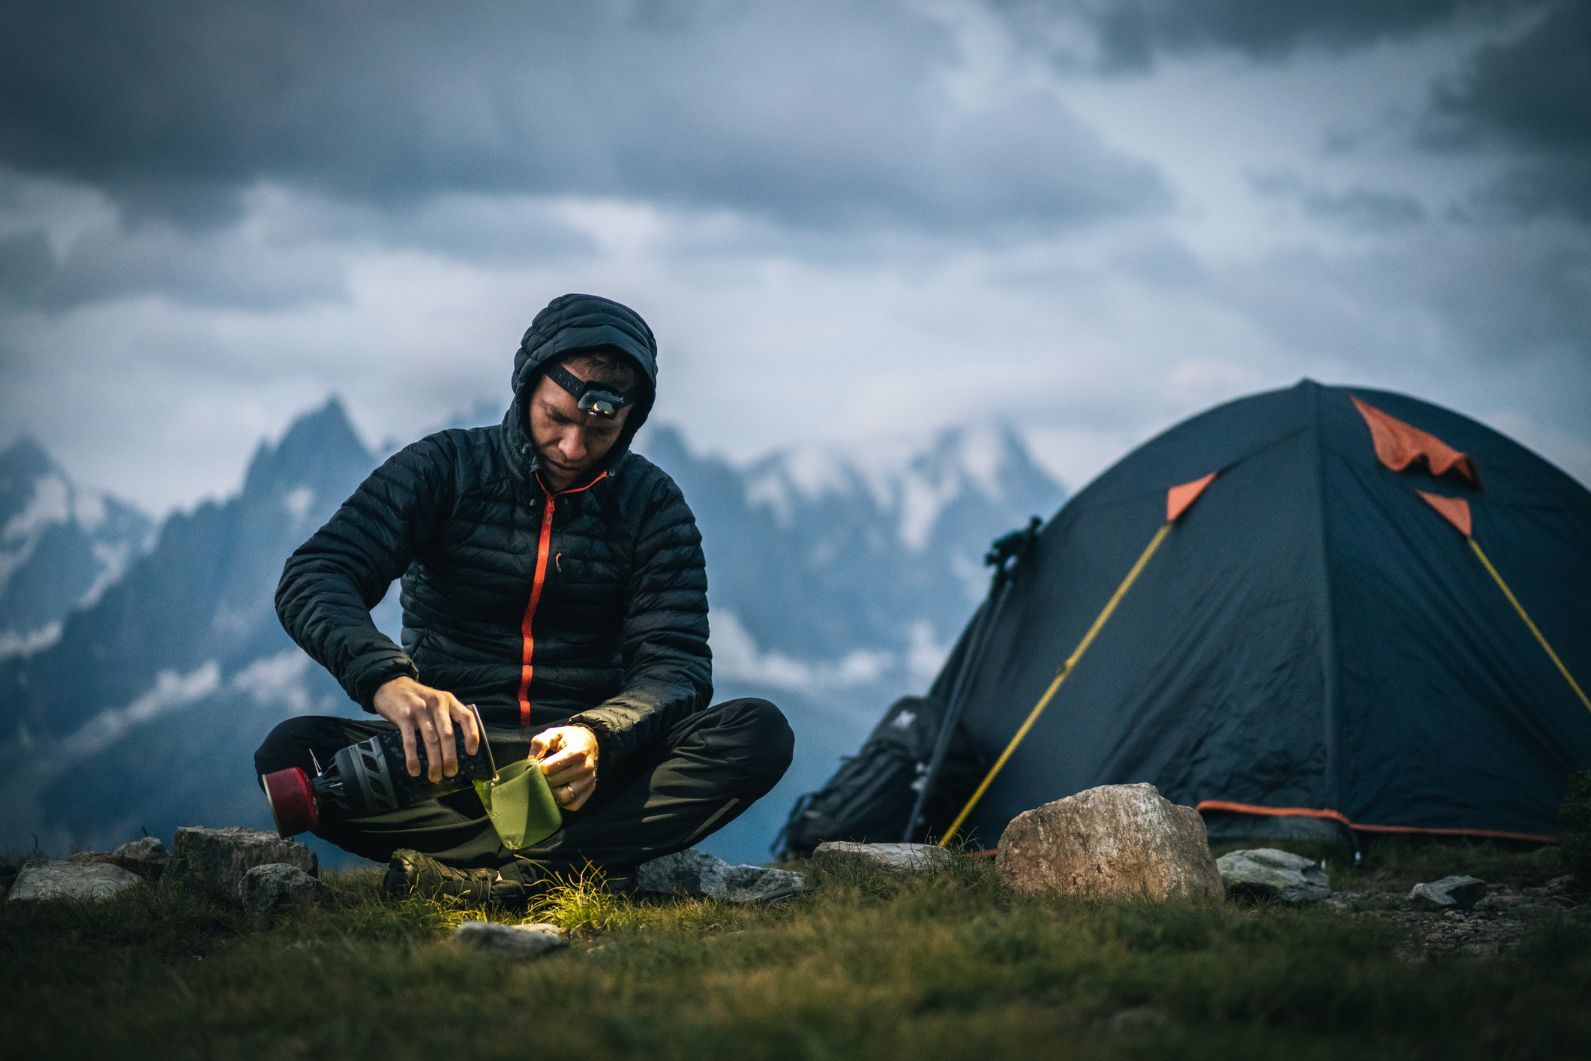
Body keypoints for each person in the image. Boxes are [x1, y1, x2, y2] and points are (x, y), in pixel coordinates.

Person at [254, 292, 794, 902]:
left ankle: (497, 880)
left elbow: (677, 668)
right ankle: (561, 870)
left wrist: (599, 735)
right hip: (448, 765)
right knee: (289, 752)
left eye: (601, 429)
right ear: (525, 387)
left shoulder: (653, 505)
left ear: (631, 421)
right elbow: (316, 574)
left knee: (758, 732)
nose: (571, 447)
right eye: (555, 417)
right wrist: (391, 684)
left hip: (585, 775)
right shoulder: (444, 468)